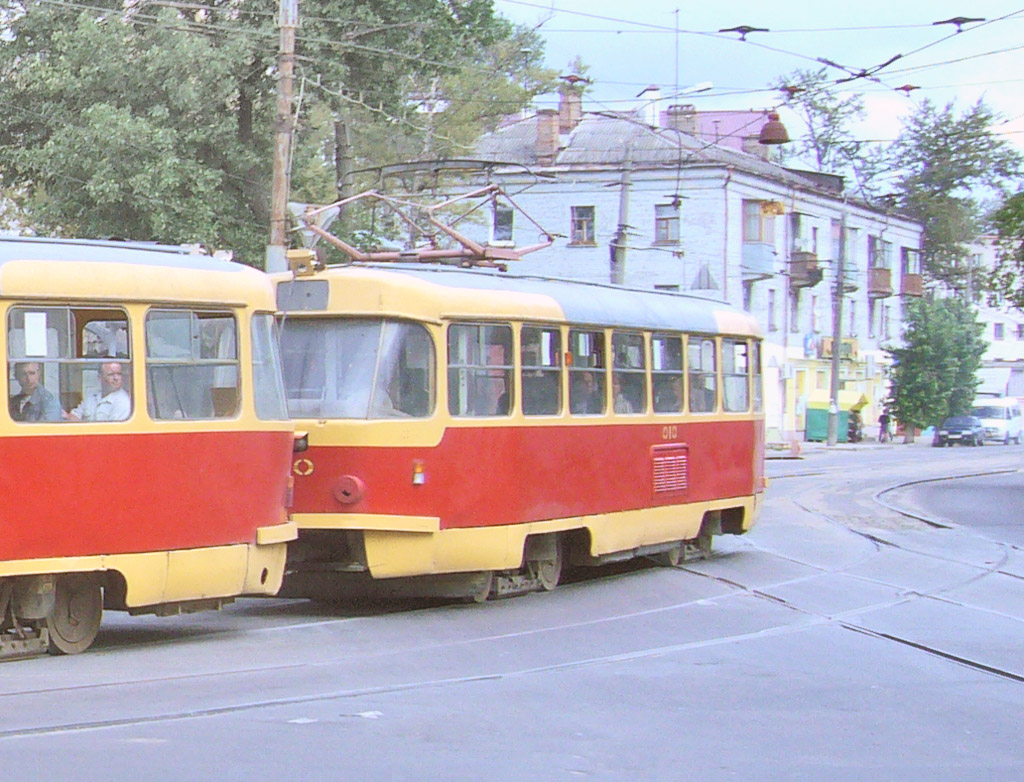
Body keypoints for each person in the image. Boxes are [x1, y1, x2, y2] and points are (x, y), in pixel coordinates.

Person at [66, 362, 130, 422]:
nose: (116, 378)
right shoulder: (92, 396)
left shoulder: (123, 402)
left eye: (119, 374)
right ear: (100, 377)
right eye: (111, 374)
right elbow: (74, 416)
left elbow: (113, 431)